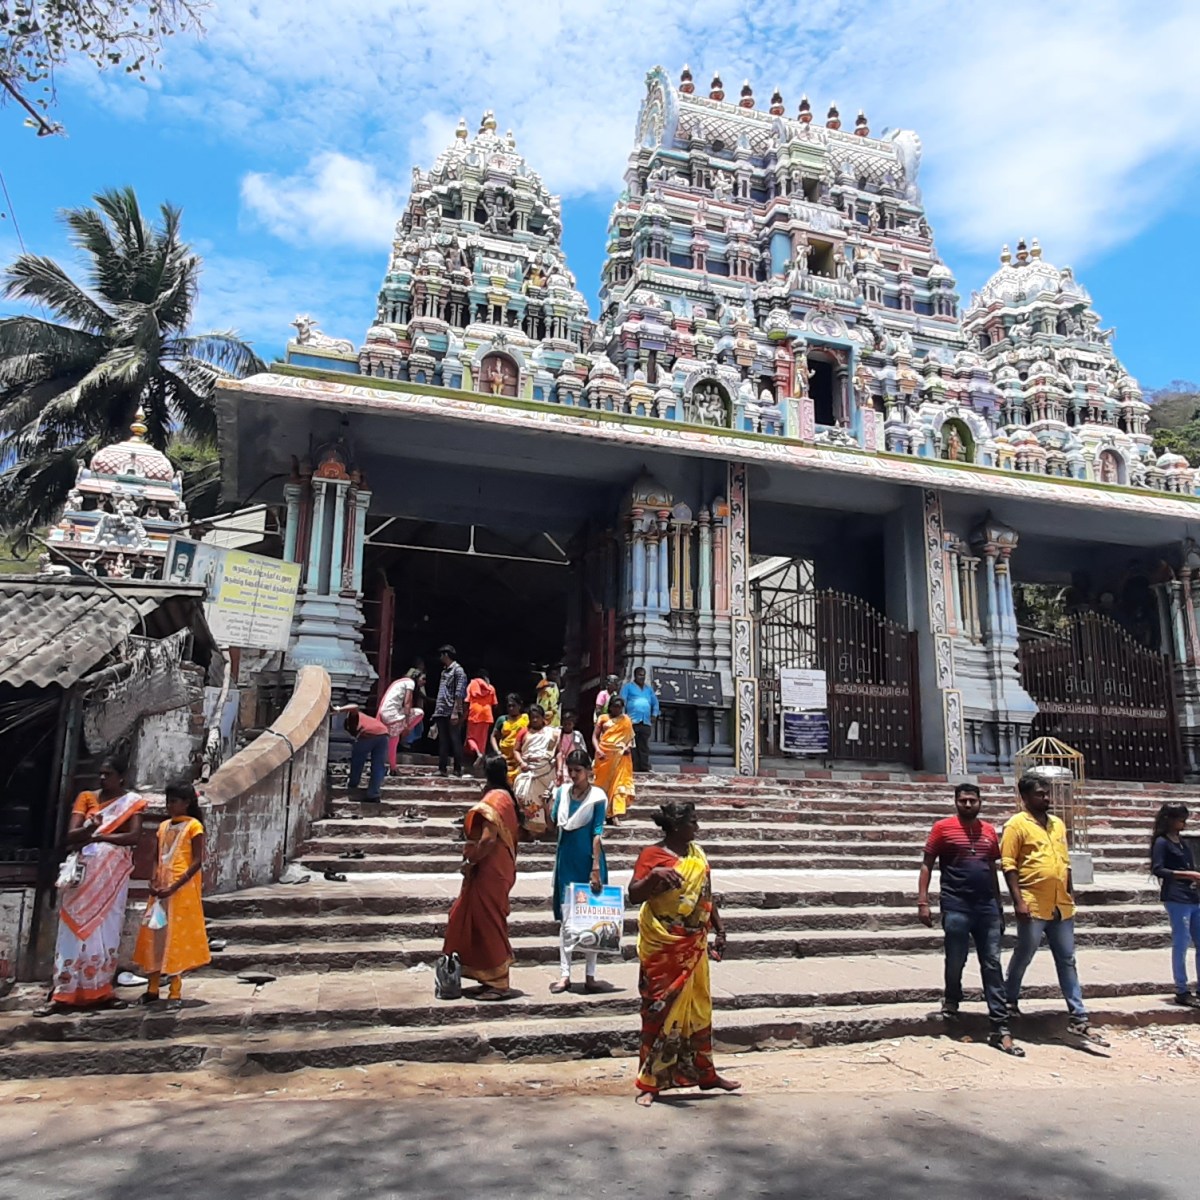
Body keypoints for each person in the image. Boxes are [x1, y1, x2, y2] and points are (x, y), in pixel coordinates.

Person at [628, 800, 739, 1106]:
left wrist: (720, 930)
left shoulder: (698, 855)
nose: (697, 827)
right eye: (692, 821)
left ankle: (705, 1073)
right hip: (663, 947)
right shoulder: (652, 855)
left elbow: (707, 895)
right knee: (658, 1011)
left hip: (694, 945)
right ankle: (650, 1083)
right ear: (676, 826)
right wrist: (654, 878)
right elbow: (633, 893)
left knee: (699, 1010)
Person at [1002, 774, 1108, 1045]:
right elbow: (1009, 865)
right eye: (1040, 794)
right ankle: (1009, 1000)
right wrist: (1018, 901)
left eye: (1048, 793)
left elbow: (1065, 859)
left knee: (1067, 959)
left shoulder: (1058, 824)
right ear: (1025, 797)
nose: (1046, 798)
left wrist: (1070, 891)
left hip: (1061, 904)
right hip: (1033, 902)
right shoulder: (1016, 825)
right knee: (1024, 953)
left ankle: (1078, 1015)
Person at [36, 757, 147, 1016]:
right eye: (101, 774)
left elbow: (134, 836)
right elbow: (70, 836)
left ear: (121, 777)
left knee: (106, 931)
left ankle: (100, 990)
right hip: (84, 875)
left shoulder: (133, 802)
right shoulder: (86, 798)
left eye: (107, 774)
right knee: (72, 931)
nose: (102, 779)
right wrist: (89, 828)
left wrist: (100, 835)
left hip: (111, 877)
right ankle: (63, 993)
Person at [917, 783, 1021, 1055]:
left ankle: (1000, 1025)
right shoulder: (942, 828)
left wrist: (999, 906)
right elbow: (928, 863)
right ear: (955, 802)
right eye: (962, 800)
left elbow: (991, 868)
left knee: (992, 963)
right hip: (956, 905)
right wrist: (922, 901)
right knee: (956, 958)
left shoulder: (988, 831)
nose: (967, 805)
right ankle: (952, 998)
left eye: (972, 800)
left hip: (986, 906)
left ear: (980, 802)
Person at [442, 755, 521, 1000]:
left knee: (488, 923)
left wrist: (471, 860)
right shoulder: (505, 797)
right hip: (494, 869)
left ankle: (499, 982)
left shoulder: (495, 799)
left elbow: (488, 838)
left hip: (490, 869)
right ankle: (485, 976)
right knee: (470, 918)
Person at [133, 782, 211, 1008]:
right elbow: (157, 855)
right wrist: (153, 877)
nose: (169, 806)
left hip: (181, 889)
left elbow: (197, 861)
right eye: (168, 801)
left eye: (174, 801)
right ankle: (152, 987)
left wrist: (176, 885)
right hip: (161, 887)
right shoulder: (163, 827)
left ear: (186, 803)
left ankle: (175, 990)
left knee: (174, 938)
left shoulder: (194, 826)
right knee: (154, 936)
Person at [549, 749, 609, 994]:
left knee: (591, 918)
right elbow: (553, 822)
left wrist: (595, 868)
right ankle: (565, 974)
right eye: (570, 770)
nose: (573, 775)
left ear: (589, 771)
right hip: (566, 859)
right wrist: (548, 800)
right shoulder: (562, 793)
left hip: (588, 860)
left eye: (578, 770)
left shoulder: (597, 797)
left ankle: (590, 975)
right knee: (567, 920)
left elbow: (597, 833)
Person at [1149, 802, 1200, 1007]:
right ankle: (1181, 988)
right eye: (1180, 820)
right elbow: (1158, 869)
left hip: (1193, 896)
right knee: (1181, 942)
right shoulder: (1162, 842)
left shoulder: (1182, 842)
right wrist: (1188, 874)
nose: (1183, 824)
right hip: (1176, 896)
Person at [512, 703, 561, 837]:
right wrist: (521, 763)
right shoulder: (524, 732)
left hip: (546, 770)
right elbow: (516, 750)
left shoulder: (553, 733)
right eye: (532, 717)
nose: (534, 720)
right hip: (528, 770)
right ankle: (529, 828)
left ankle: (546, 828)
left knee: (547, 798)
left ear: (542, 717)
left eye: (537, 717)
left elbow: (558, 752)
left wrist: (560, 769)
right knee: (523, 794)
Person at [593, 694, 635, 825]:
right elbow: (595, 736)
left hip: (621, 756)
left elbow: (631, 738)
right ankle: (601, 814)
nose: (618, 710)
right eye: (615, 707)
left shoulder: (626, 720)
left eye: (620, 707)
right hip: (604, 756)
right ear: (610, 707)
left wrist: (628, 747)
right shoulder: (603, 718)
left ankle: (615, 814)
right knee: (602, 785)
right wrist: (598, 750)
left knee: (619, 785)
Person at [333, 706, 391, 801]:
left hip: (368, 734)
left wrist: (338, 710)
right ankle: (374, 794)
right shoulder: (366, 719)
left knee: (357, 760)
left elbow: (354, 706)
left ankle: (353, 783)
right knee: (378, 765)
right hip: (384, 734)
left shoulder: (353, 717)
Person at [377, 670, 425, 772]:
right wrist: (407, 726)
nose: (424, 682)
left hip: (385, 713)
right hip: (392, 714)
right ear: (416, 678)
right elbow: (407, 703)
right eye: (423, 679)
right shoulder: (410, 682)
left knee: (393, 741)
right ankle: (403, 731)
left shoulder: (399, 682)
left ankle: (393, 767)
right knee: (420, 713)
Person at [433, 644, 468, 778]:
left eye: (442, 655)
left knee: (455, 739)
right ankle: (442, 769)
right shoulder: (444, 671)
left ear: (446, 655)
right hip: (441, 710)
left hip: (451, 710)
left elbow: (459, 693)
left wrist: (455, 712)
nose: (440, 658)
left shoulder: (458, 671)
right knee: (443, 741)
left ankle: (457, 769)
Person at [620, 667, 659, 774]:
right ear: (635, 675)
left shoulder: (648, 689)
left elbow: (655, 703)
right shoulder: (628, 687)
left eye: (643, 675)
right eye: (639, 675)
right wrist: (623, 717)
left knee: (644, 745)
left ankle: (644, 767)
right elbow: (622, 702)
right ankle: (633, 767)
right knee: (632, 745)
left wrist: (654, 714)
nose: (641, 677)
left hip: (645, 721)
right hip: (632, 721)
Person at [491, 693, 528, 785]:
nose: (511, 708)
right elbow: (493, 736)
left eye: (514, 705)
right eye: (509, 706)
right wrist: (498, 752)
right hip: (505, 758)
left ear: (520, 705)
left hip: (520, 758)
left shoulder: (526, 718)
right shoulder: (502, 719)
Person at [464, 669, 498, 764]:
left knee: (470, 738)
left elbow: (466, 701)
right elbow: (495, 704)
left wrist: (464, 715)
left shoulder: (472, 684)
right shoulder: (491, 688)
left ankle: (478, 753)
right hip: (487, 714)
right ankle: (482, 754)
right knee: (482, 739)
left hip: (474, 713)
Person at [556, 709, 589, 785]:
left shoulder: (577, 735)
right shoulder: (557, 733)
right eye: (565, 724)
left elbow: (583, 749)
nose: (567, 726)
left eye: (569, 724)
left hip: (573, 762)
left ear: (573, 724)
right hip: (560, 762)